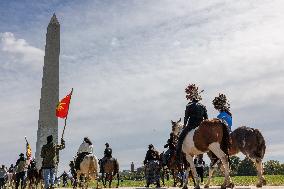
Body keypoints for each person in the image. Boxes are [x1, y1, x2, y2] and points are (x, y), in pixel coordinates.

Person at [176, 84, 208, 159]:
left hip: (192, 125)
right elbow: (206, 119)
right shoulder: (203, 106)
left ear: (191, 98)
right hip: (201, 125)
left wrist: (184, 125)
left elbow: (186, 117)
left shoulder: (189, 105)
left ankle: (178, 154)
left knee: (180, 138)